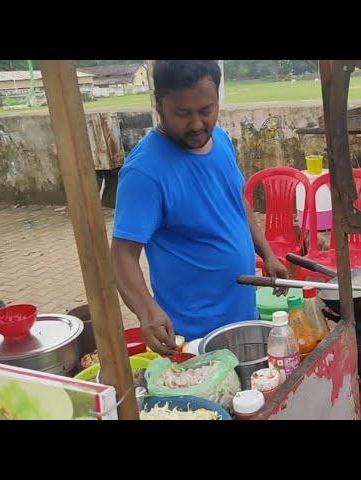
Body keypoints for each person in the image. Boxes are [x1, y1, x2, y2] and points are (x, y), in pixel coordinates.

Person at [111, 60, 288, 355]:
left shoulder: (218, 138)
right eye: (183, 113)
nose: (196, 124)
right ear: (159, 105)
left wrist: (266, 252)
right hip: (194, 338)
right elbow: (122, 255)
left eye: (206, 111)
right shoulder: (144, 172)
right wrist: (147, 312)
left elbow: (236, 200)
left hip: (244, 317)